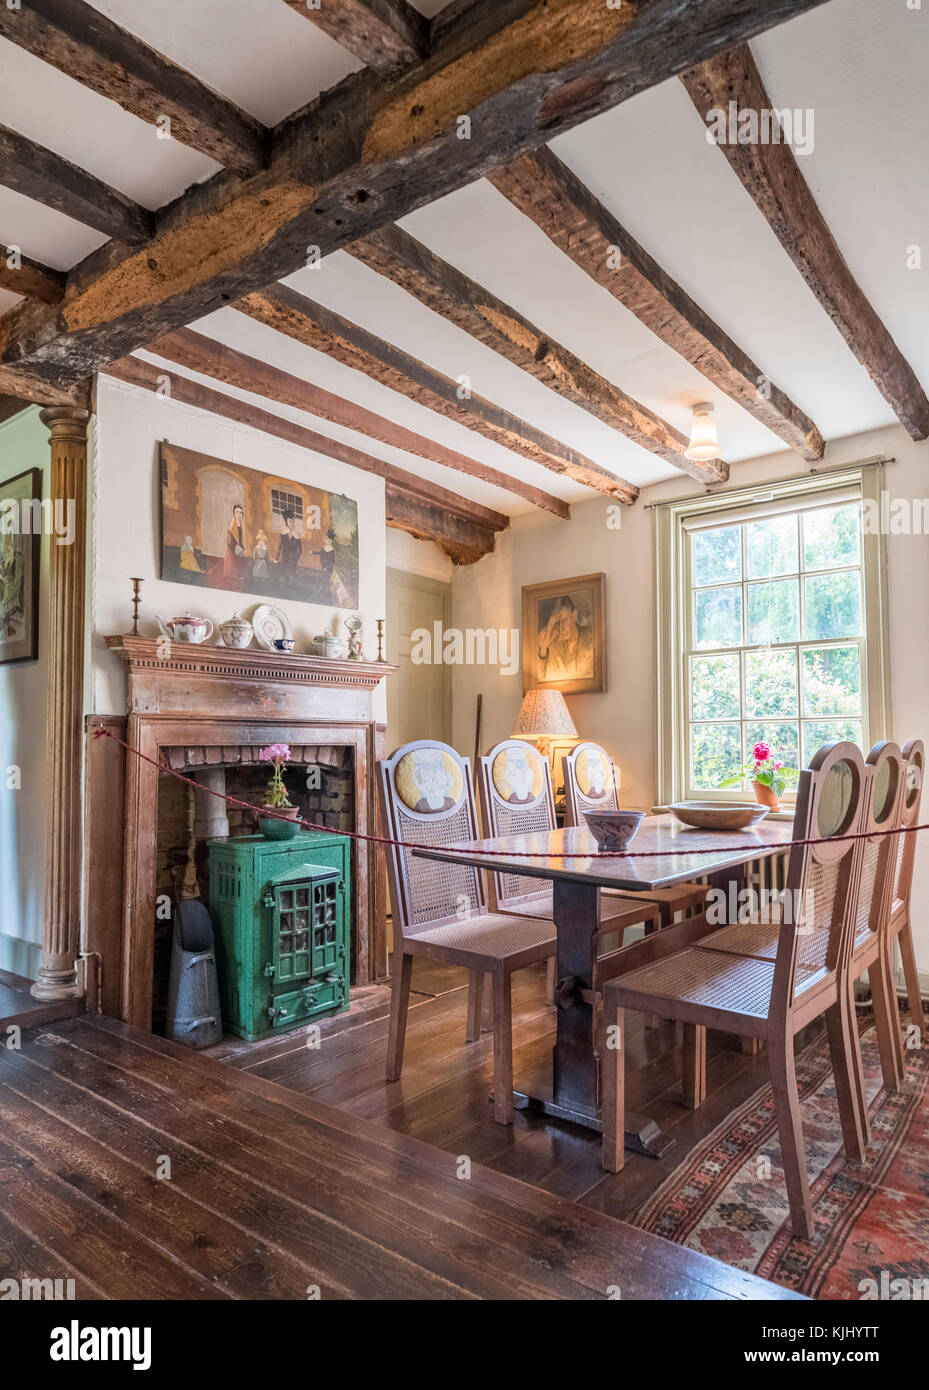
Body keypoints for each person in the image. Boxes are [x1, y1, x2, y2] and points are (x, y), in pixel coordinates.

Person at [536, 595, 594, 683]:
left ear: (574, 615)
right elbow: (540, 677)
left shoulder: (592, 636)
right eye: (557, 623)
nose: (562, 628)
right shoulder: (552, 644)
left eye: (564, 621)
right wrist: (544, 646)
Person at [276, 511, 302, 586]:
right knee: (284, 570)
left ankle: (291, 581)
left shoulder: (296, 535)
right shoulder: (283, 534)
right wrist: (277, 558)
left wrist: (297, 557)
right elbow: (280, 546)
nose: (292, 524)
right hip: (285, 556)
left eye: (293, 522)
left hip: (293, 558)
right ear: (286, 522)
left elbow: (300, 549)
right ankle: (284, 579)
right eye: (290, 522)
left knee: (292, 572)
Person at [224, 504, 247, 584]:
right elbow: (229, 539)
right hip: (232, 550)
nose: (239, 514)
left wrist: (242, 547)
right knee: (231, 570)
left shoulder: (240, 525)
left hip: (239, 551)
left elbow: (241, 539)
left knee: (239, 569)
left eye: (241, 513)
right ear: (234, 513)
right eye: (237, 512)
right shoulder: (232, 525)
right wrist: (236, 546)